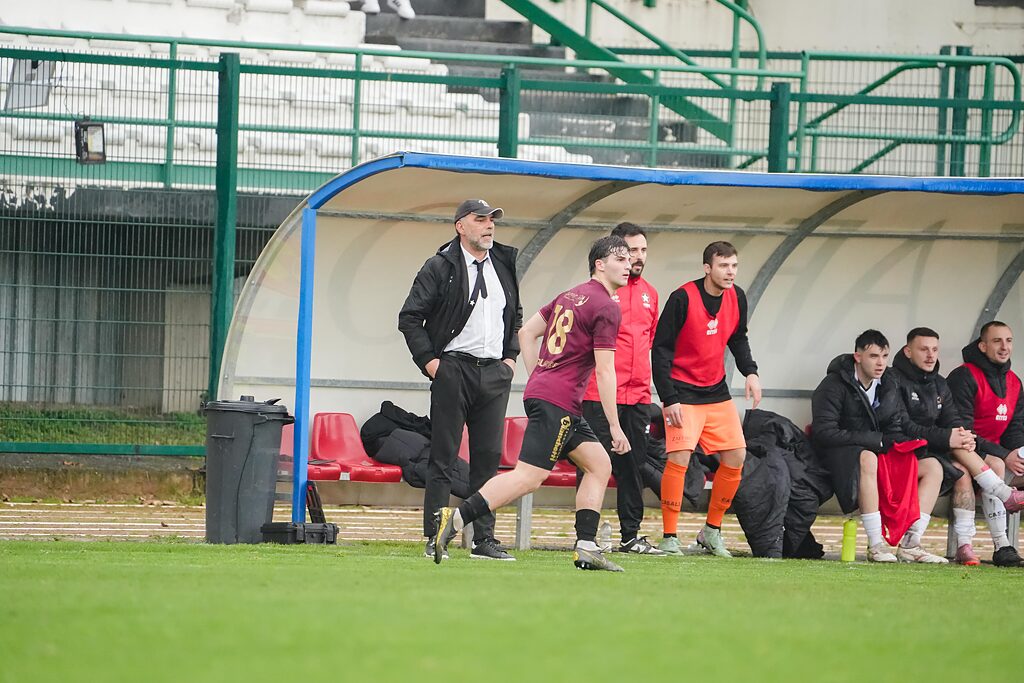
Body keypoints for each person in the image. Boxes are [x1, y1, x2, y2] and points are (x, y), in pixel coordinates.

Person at [433, 236, 633, 572]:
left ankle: (586, 546)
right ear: (600, 264)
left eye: (630, 259)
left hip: (550, 395)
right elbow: (605, 370)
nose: (629, 265)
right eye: (621, 259)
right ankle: (454, 519)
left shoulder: (570, 295)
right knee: (528, 477)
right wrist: (615, 426)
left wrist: (538, 375)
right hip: (559, 400)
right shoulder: (607, 306)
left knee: (599, 465)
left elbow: (526, 333)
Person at [398, 198, 521, 561]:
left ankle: (484, 540)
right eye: (480, 219)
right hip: (453, 369)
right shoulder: (440, 266)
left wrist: (510, 359)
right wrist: (431, 363)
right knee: (443, 458)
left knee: (488, 460)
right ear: (460, 226)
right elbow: (410, 318)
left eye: (492, 219)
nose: (489, 225)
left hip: (494, 373)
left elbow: (514, 314)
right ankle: (435, 537)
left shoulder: (503, 263)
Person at [651, 240, 761, 557]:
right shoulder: (682, 298)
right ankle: (669, 537)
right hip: (682, 393)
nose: (730, 272)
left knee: (736, 456)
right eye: (723, 265)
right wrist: (669, 397)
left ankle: (711, 531)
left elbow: (738, 338)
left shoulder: (737, 297)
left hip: (716, 391)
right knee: (679, 459)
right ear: (707, 268)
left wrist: (751, 372)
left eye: (734, 266)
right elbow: (660, 350)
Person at [890, 327, 1024, 565]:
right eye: (924, 349)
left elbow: (957, 422)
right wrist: (954, 437)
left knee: (977, 459)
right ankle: (981, 530)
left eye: (934, 350)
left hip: (948, 449)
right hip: (908, 450)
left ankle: (994, 544)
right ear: (908, 351)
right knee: (974, 465)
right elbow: (903, 426)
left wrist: (1012, 452)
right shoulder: (896, 380)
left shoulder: (939, 382)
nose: (930, 355)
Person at [811, 329, 946, 563]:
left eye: (884, 356)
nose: (881, 363)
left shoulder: (889, 381)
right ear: (858, 356)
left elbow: (895, 423)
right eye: (873, 356)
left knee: (933, 467)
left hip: (878, 450)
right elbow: (824, 433)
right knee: (868, 458)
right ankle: (876, 545)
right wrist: (877, 441)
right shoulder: (833, 385)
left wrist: (901, 444)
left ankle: (911, 544)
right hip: (839, 455)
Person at [579, 222, 663, 555]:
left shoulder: (651, 294)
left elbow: (649, 341)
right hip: (597, 395)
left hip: (638, 396)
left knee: (634, 467)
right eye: (630, 252)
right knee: (593, 464)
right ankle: (586, 535)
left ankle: (631, 536)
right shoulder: (598, 293)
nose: (636, 258)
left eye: (642, 250)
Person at [947, 321, 1024, 567]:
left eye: (1008, 341)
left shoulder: (1014, 381)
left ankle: (1002, 547)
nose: (1004, 347)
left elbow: (1015, 428)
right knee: (994, 466)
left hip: (995, 454)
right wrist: (1004, 455)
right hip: (961, 451)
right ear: (982, 346)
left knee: (1002, 463)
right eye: (997, 341)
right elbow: (962, 431)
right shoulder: (964, 376)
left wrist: (1017, 453)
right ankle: (996, 545)